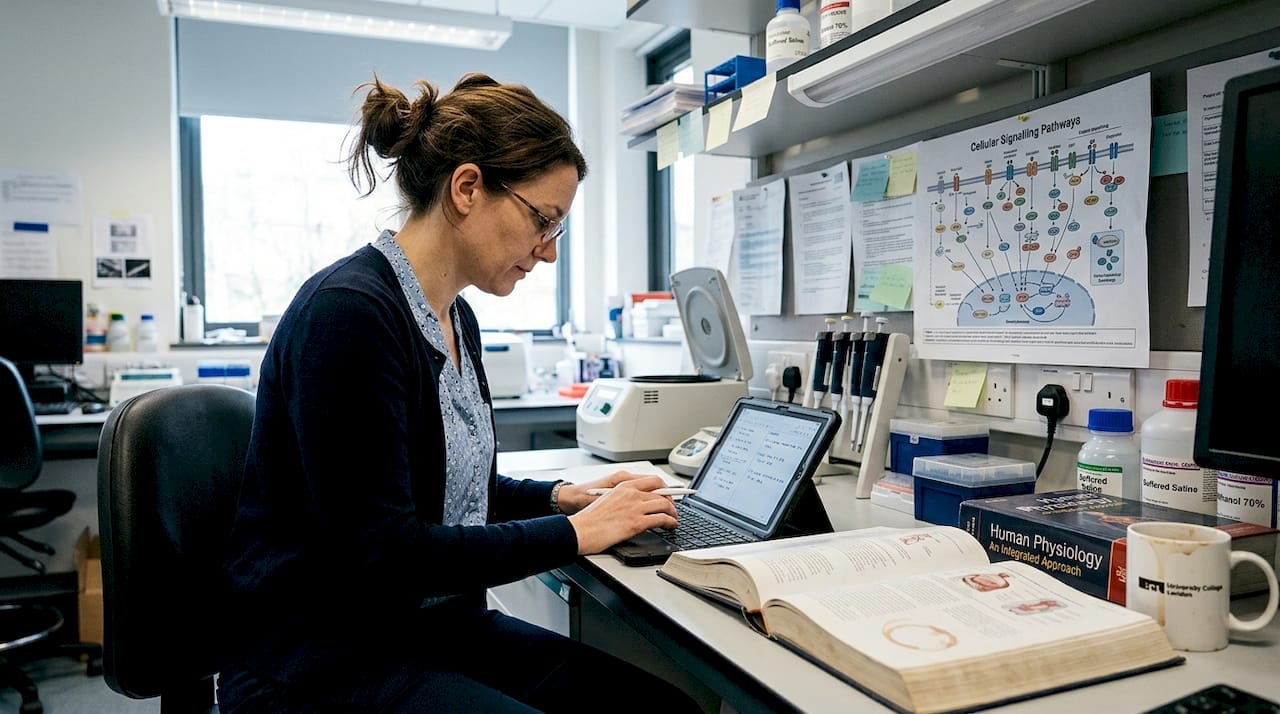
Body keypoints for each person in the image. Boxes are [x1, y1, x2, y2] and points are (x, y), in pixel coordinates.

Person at [217, 73, 702, 713]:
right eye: (543, 220)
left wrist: (562, 498)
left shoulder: (454, 316)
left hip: (426, 629)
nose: (549, 253)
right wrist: (576, 533)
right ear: (467, 187)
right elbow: (386, 553)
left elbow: (448, 492)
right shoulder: (350, 315)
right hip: (321, 661)